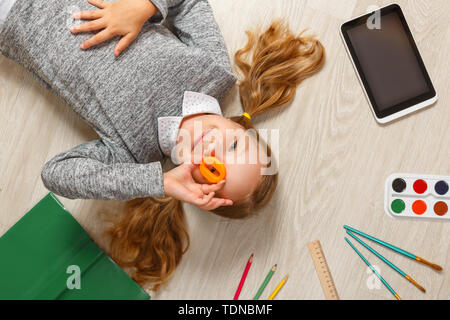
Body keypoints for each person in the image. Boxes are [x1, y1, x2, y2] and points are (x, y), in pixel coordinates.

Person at [0, 0, 325, 290]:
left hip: (12, 18)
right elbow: (189, 3)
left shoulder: (134, 156)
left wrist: (159, 182)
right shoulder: (215, 74)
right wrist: (144, 7)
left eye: (217, 170)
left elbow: (56, 174)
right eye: (235, 145)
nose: (214, 149)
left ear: (198, 189)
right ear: (238, 125)